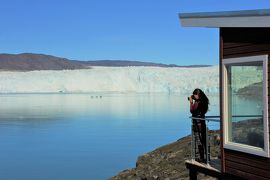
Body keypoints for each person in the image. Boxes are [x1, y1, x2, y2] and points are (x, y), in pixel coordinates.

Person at [189, 88, 209, 162]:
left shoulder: (197, 103)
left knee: (199, 141)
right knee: (204, 140)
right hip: (203, 123)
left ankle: (202, 157)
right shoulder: (204, 101)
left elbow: (192, 110)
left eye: (194, 95)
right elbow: (204, 111)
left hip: (197, 125)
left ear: (197, 95)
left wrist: (191, 102)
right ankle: (207, 157)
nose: (194, 97)